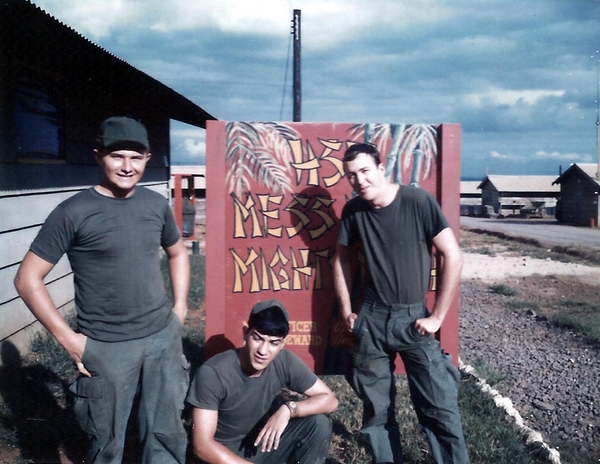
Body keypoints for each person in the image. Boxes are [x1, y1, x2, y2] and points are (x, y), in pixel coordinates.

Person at [14, 116, 191, 463]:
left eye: (136, 157)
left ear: (148, 158)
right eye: (117, 156)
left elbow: (177, 251)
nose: (127, 166)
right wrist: (70, 340)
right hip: (107, 346)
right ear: (98, 156)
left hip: (161, 337)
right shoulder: (73, 212)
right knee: (106, 442)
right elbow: (26, 279)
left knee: (167, 433)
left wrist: (180, 308)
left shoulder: (155, 204)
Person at [332, 143, 470, 464]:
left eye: (365, 171)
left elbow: (453, 256)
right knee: (376, 409)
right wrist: (346, 309)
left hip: (413, 319)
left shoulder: (417, 201)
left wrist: (437, 317)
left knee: (438, 405)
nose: (360, 180)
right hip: (372, 318)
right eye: (351, 175)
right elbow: (340, 261)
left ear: (381, 169)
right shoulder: (353, 211)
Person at [186, 299, 338, 464]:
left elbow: (330, 400)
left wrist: (289, 409)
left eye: (273, 343)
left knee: (318, 423)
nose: (263, 351)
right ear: (245, 333)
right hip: (221, 456)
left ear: (282, 344)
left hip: (259, 445)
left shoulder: (284, 361)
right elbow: (202, 446)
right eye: (257, 338)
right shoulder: (213, 373)